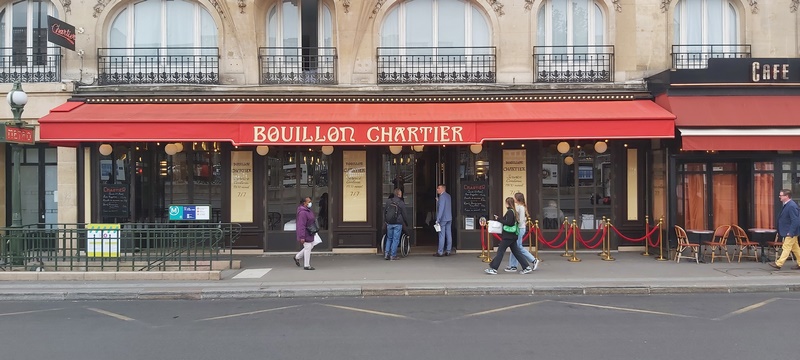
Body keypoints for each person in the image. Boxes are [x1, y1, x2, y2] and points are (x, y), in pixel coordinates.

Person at [485, 197, 533, 275]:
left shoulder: (510, 212)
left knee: (500, 251)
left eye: (506, 203)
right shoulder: (513, 211)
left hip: (508, 236)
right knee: (516, 252)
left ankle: (494, 268)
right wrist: (499, 219)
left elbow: (509, 222)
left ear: (507, 203)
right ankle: (526, 267)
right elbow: (508, 221)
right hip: (513, 236)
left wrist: (499, 220)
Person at [505, 192, 539, 272]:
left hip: (519, 229)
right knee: (515, 246)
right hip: (520, 228)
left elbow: (520, 220)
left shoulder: (520, 207)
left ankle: (533, 260)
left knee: (517, 247)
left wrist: (514, 224)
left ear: (517, 199)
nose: (514, 199)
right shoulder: (521, 207)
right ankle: (513, 265)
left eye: (515, 197)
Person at [769, 189, 800, 270]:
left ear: (786, 196)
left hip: (790, 231)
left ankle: (779, 263)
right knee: (795, 248)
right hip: (789, 231)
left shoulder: (791, 206)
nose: (779, 197)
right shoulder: (787, 204)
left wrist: (791, 232)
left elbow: (795, 220)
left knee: (786, 247)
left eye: (781, 195)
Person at [384, 188, 409, 260]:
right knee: (395, 239)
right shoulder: (401, 202)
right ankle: (393, 255)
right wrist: (406, 223)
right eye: (401, 193)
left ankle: (386, 254)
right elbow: (404, 214)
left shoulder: (388, 201)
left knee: (389, 238)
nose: (401, 194)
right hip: (398, 223)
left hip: (389, 223)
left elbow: (385, 212)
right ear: (398, 194)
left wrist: (386, 220)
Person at [294, 197, 317, 270]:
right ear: (304, 203)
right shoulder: (303, 212)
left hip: (310, 231)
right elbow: (301, 225)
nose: (310, 203)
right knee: (308, 248)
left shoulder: (307, 210)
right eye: (309, 202)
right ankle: (306, 265)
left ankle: (297, 257)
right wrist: (302, 236)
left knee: (311, 246)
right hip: (306, 232)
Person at [434, 183, 453, 256]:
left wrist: (438, 219)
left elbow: (441, 208)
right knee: (449, 234)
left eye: (438, 188)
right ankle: (448, 250)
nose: (437, 189)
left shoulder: (441, 197)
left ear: (442, 189)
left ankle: (440, 252)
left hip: (443, 218)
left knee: (441, 235)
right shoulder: (448, 196)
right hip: (449, 217)